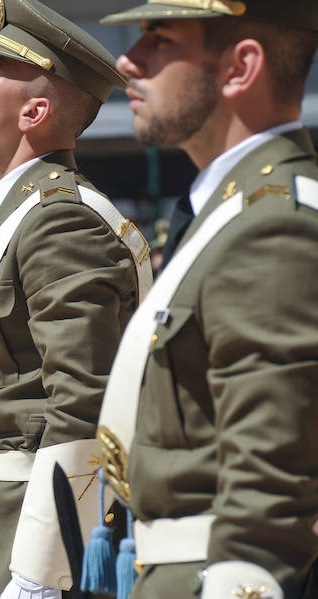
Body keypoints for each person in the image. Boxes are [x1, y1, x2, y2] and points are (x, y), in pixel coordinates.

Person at [94, 2, 318, 598]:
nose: (126, 62)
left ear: (241, 67)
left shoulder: (273, 226)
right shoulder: (228, 209)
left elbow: (271, 480)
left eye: (159, 41)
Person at [0, 1, 152, 597]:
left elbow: (84, 398)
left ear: (35, 111)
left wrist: (42, 565)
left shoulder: (60, 221)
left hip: (31, 520)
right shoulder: (11, 212)